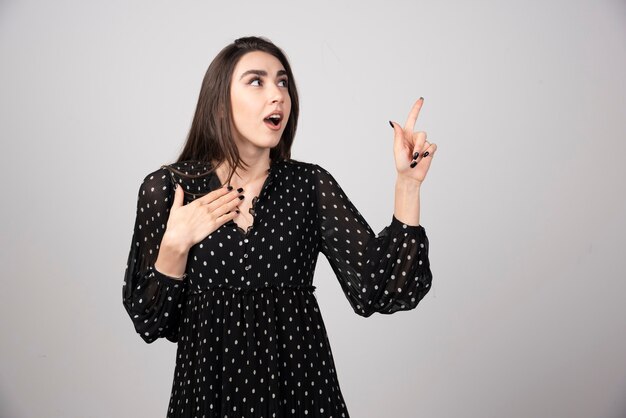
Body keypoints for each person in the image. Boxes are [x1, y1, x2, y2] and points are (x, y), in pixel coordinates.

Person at [122, 35, 437, 417]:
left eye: (282, 82)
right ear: (219, 105)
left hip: (302, 396)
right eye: (257, 81)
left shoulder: (309, 186)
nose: (277, 95)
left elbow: (381, 287)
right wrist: (175, 245)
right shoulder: (169, 189)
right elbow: (151, 322)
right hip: (208, 399)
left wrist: (407, 185)